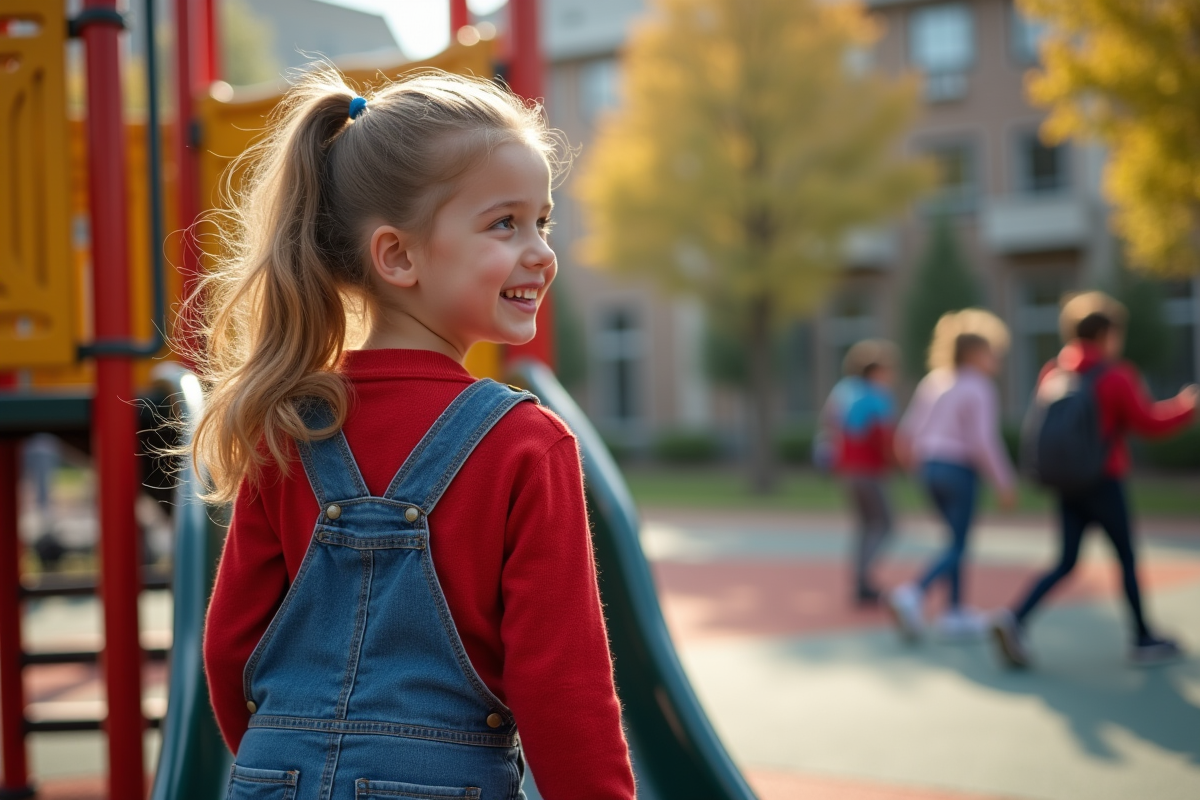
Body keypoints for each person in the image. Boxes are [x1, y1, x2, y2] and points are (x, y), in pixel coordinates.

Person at [195, 69, 635, 799]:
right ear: (397, 255)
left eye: (543, 222)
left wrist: (286, 758)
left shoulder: (286, 422)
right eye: (505, 223)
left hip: (272, 773)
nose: (540, 252)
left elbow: (229, 650)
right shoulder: (526, 444)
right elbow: (563, 687)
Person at [992, 292, 1198, 668]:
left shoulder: (1054, 372)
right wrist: (1186, 408)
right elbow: (1146, 423)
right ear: (1106, 333)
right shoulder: (1115, 375)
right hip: (1103, 479)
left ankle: (1014, 618)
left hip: (1067, 482)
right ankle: (1142, 636)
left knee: (1067, 560)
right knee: (1125, 557)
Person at [890, 310, 1017, 641]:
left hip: (929, 467)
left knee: (954, 540)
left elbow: (906, 435)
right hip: (958, 469)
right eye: (992, 353)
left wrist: (916, 470)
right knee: (959, 544)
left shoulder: (934, 381)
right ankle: (913, 593)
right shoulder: (979, 387)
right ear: (975, 354)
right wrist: (1005, 481)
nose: (996, 360)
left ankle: (954, 611)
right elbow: (983, 440)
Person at [817, 340, 899, 605]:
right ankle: (863, 578)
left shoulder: (842, 391)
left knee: (865, 525)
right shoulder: (876, 395)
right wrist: (901, 461)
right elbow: (883, 436)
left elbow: (830, 426)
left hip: (846, 469)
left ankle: (861, 581)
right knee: (884, 523)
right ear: (874, 371)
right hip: (868, 468)